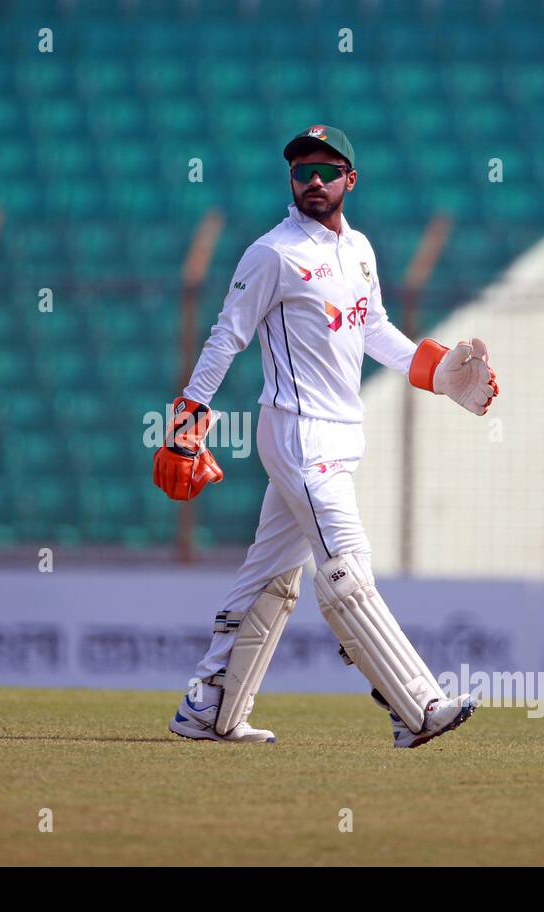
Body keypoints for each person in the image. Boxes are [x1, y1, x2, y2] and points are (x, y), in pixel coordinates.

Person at [154, 126, 498, 747]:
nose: (313, 179)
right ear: (291, 180)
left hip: (342, 434)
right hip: (297, 433)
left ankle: (209, 708)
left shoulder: (359, 250)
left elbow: (374, 330)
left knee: (270, 576)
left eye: (327, 169)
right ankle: (413, 706)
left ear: (350, 179)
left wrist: (437, 371)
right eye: (302, 169)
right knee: (348, 567)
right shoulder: (273, 253)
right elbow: (226, 334)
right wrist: (186, 425)